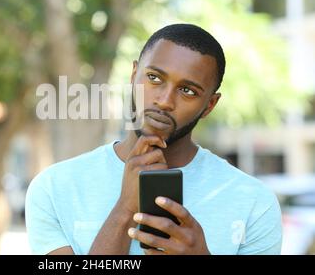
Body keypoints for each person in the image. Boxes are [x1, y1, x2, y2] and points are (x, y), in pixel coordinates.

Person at [25, 23, 282, 255]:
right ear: (133, 74)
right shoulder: (54, 188)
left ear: (209, 105)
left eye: (187, 91)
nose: (164, 101)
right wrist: (124, 210)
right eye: (154, 78)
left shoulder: (254, 203)